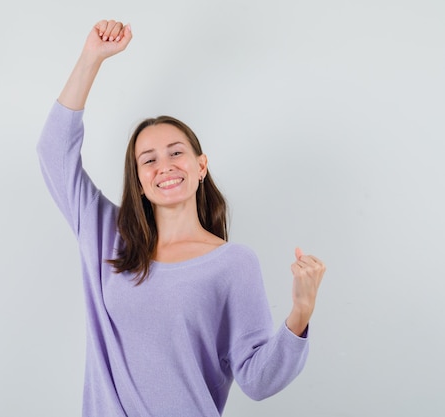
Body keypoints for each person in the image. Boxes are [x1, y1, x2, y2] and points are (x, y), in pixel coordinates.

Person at [37, 19, 326, 417]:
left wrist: (300, 313)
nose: (165, 167)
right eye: (148, 160)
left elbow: (257, 380)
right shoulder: (108, 235)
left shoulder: (233, 263)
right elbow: (54, 152)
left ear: (201, 165)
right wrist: (91, 59)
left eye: (176, 153)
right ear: (138, 181)